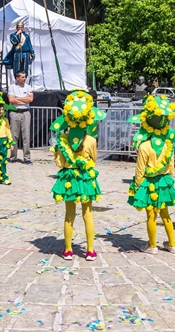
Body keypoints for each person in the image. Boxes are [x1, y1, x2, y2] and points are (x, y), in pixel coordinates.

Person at [49, 89, 106, 261]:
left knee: (69, 215)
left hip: (69, 179)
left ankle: (68, 250)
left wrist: (57, 152)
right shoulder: (91, 140)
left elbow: (60, 163)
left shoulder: (63, 140)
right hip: (85, 178)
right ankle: (90, 251)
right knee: (88, 214)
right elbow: (93, 160)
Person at [126, 94, 175, 254]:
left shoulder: (144, 147)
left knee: (151, 215)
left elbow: (140, 169)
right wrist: (169, 179)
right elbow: (171, 165)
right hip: (164, 182)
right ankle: (172, 244)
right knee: (165, 214)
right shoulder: (167, 144)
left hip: (149, 183)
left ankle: (153, 246)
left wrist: (137, 186)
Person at [8, 71, 33, 164]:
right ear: (17, 78)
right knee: (14, 135)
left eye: (25, 77)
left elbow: (30, 99)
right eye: (22, 77)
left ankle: (27, 157)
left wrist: (17, 98)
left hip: (25, 112)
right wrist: (24, 100)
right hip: (15, 112)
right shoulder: (12, 87)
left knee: (26, 135)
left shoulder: (28, 87)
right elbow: (11, 100)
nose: (24, 78)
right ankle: (13, 156)